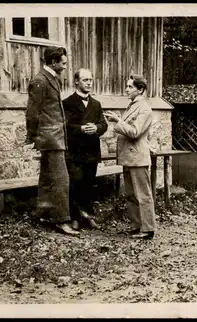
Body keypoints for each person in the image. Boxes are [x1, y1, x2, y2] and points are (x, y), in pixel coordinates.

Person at [25, 46, 79, 236]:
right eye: (63, 63)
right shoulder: (40, 81)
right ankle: (61, 220)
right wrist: (32, 136)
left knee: (48, 178)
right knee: (61, 180)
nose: (65, 67)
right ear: (54, 62)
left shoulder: (51, 78)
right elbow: (33, 112)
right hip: (50, 138)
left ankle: (44, 214)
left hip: (54, 137)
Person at [103, 74, 156, 240]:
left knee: (143, 194)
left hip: (138, 158)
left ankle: (148, 228)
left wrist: (118, 121)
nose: (126, 89)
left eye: (130, 87)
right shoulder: (132, 105)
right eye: (127, 86)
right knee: (131, 194)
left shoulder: (144, 108)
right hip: (129, 157)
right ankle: (137, 225)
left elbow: (135, 132)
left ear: (140, 90)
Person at [63, 68, 108, 230]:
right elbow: (65, 126)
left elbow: (104, 124)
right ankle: (75, 217)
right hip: (75, 153)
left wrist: (96, 128)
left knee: (89, 185)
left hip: (92, 152)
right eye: (85, 80)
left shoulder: (96, 104)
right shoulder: (67, 103)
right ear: (76, 81)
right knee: (75, 184)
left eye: (90, 80)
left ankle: (87, 216)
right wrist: (81, 129)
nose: (89, 83)